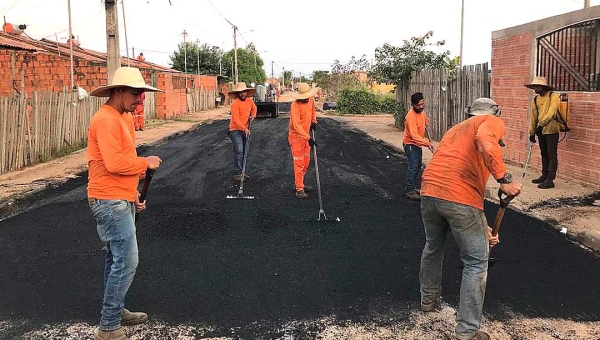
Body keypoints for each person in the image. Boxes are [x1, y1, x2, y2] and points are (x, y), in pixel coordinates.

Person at [418, 98, 522, 340]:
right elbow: (486, 142)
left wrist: (483, 228)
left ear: (469, 113)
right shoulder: (490, 121)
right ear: (495, 111)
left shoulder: (455, 129)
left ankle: (428, 300)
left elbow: (463, 197)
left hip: (430, 191)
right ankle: (467, 332)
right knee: (476, 262)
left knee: (433, 247)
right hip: (458, 196)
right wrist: (504, 180)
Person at [87, 66, 163, 340]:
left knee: (115, 259)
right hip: (108, 200)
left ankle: (115, 311)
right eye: (135, 94)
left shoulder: (123, 117)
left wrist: (133, 195)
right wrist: (146, 163)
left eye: (142, 94)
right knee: (127, 261)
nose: (140, 100)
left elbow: (122, 163)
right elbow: (114, 163)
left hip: (120, 197)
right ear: (118, 91)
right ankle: (108, 327)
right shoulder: (106, 119)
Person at [525, 76, 560, 189]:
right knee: (543, 153)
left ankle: (550, 179)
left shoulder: (553, 96)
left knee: (551, 154)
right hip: (541, 131)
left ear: (543, 87)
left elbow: (551, 112)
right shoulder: (535, 99)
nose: (535, 89)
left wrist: (542, 124)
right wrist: (532, 132)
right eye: (534, 86)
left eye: (537, 86)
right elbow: (534, 116)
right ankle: (544, 175)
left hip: (551, 130)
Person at [403, 92, 434, 200]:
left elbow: (424, 119)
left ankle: (412, 187)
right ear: (413, 104)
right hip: (411, 144)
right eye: (418, 105)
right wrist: (427, 143)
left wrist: (426, 121)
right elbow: (414, 136)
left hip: (417, 144)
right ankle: (409, 190)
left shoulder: (421, 112)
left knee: (417, 166)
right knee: (413, 166)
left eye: (422, 104)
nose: (421, 107)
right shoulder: (410, 117)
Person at [289, 82, 317, 199]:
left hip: (306, 136)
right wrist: (308, 138)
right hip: (296, 138)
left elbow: (312, 111)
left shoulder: (310, 99)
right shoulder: (295, 105)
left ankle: (299, 182)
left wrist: (314, 121)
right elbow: (296, 125)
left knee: (306, 162)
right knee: (299, 163)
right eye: (303, 98)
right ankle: (299, 189)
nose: (306, 99)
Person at [228, 82, 257, 182]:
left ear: (246, 92)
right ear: (237, 93)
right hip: (235, 130)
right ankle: (238, 173)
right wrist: (244, 129)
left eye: (244, 92)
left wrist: (253, 115)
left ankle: (242, 172)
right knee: (239, 151)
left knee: (245, 151)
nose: (243, 94)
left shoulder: (249, 101)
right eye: (240, 92)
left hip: (245, 129)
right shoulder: (235, 104)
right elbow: (236, 119)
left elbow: (254, 108)